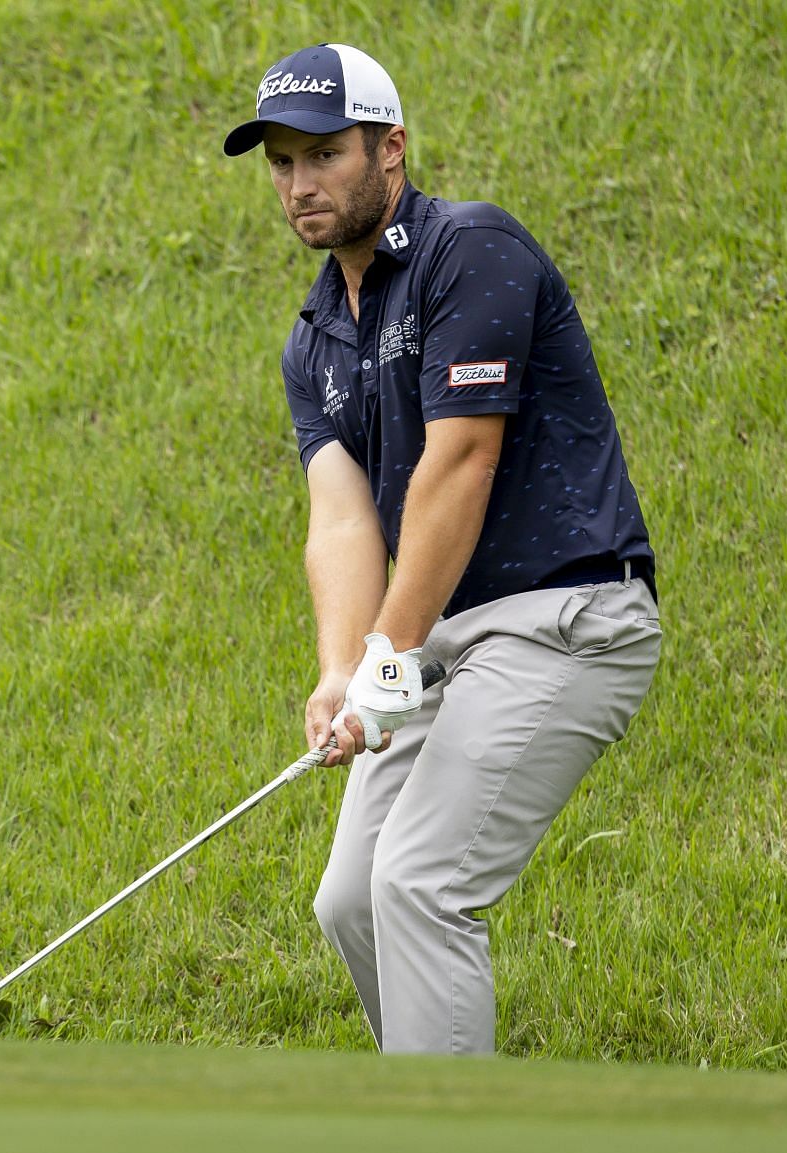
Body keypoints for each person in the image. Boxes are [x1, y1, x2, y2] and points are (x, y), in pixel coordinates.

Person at [222, 44, 663, 1054]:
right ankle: (428, 1117)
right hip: (436, 643)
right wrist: (346, 669)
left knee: (418, 882)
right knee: (351, 900)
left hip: (567, 618)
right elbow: (341, 518)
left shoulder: (474, 250)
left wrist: (387, 651)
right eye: (282, 163)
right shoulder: (316, 335)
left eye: (325, 154)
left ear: (391, 147)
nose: (300, 184)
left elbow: (459, 464)